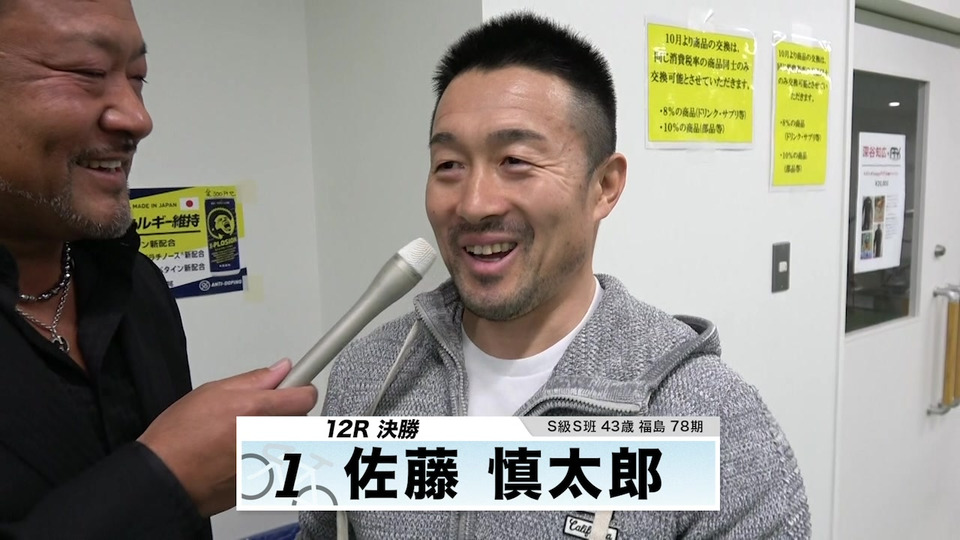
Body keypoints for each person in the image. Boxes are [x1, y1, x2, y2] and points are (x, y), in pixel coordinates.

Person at [299, 12, 810, 540]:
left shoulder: (713, 422)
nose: (473, 204)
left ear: (605, 186)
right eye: (449, 164)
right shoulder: (368, 379)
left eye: (515, 160)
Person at [0, 0, 318, 538]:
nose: (138, 118)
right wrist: (165, 481)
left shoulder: (136, 285)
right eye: (87, 72)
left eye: (138, 78)